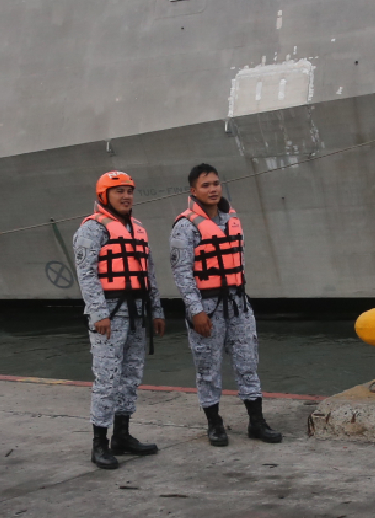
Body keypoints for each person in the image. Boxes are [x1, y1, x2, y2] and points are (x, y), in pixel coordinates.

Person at [171, 163, 280, 446]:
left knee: (248, 363)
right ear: (193, 191)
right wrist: (196, 311)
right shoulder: (184, 227)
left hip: (238, 304)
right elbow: (182, 273)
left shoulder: (231, 219)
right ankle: (215, 424)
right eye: (205, 185)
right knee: (208, 368)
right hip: (207, 307)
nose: (213, 189)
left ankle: (257, 422)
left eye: (216, 183)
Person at [74, 170, 166, 470]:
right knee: (107, 378)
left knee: (131, 375)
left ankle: (122, 436)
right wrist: (99, 313)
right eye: (118, 192)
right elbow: (87, 274)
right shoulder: (92, 229)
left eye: (129, 191)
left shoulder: (138, 228)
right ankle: (99, 443)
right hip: (110, 313)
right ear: (104, 197)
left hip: (138, 311)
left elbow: (148, 273)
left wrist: (157, 310)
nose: (126, 196)